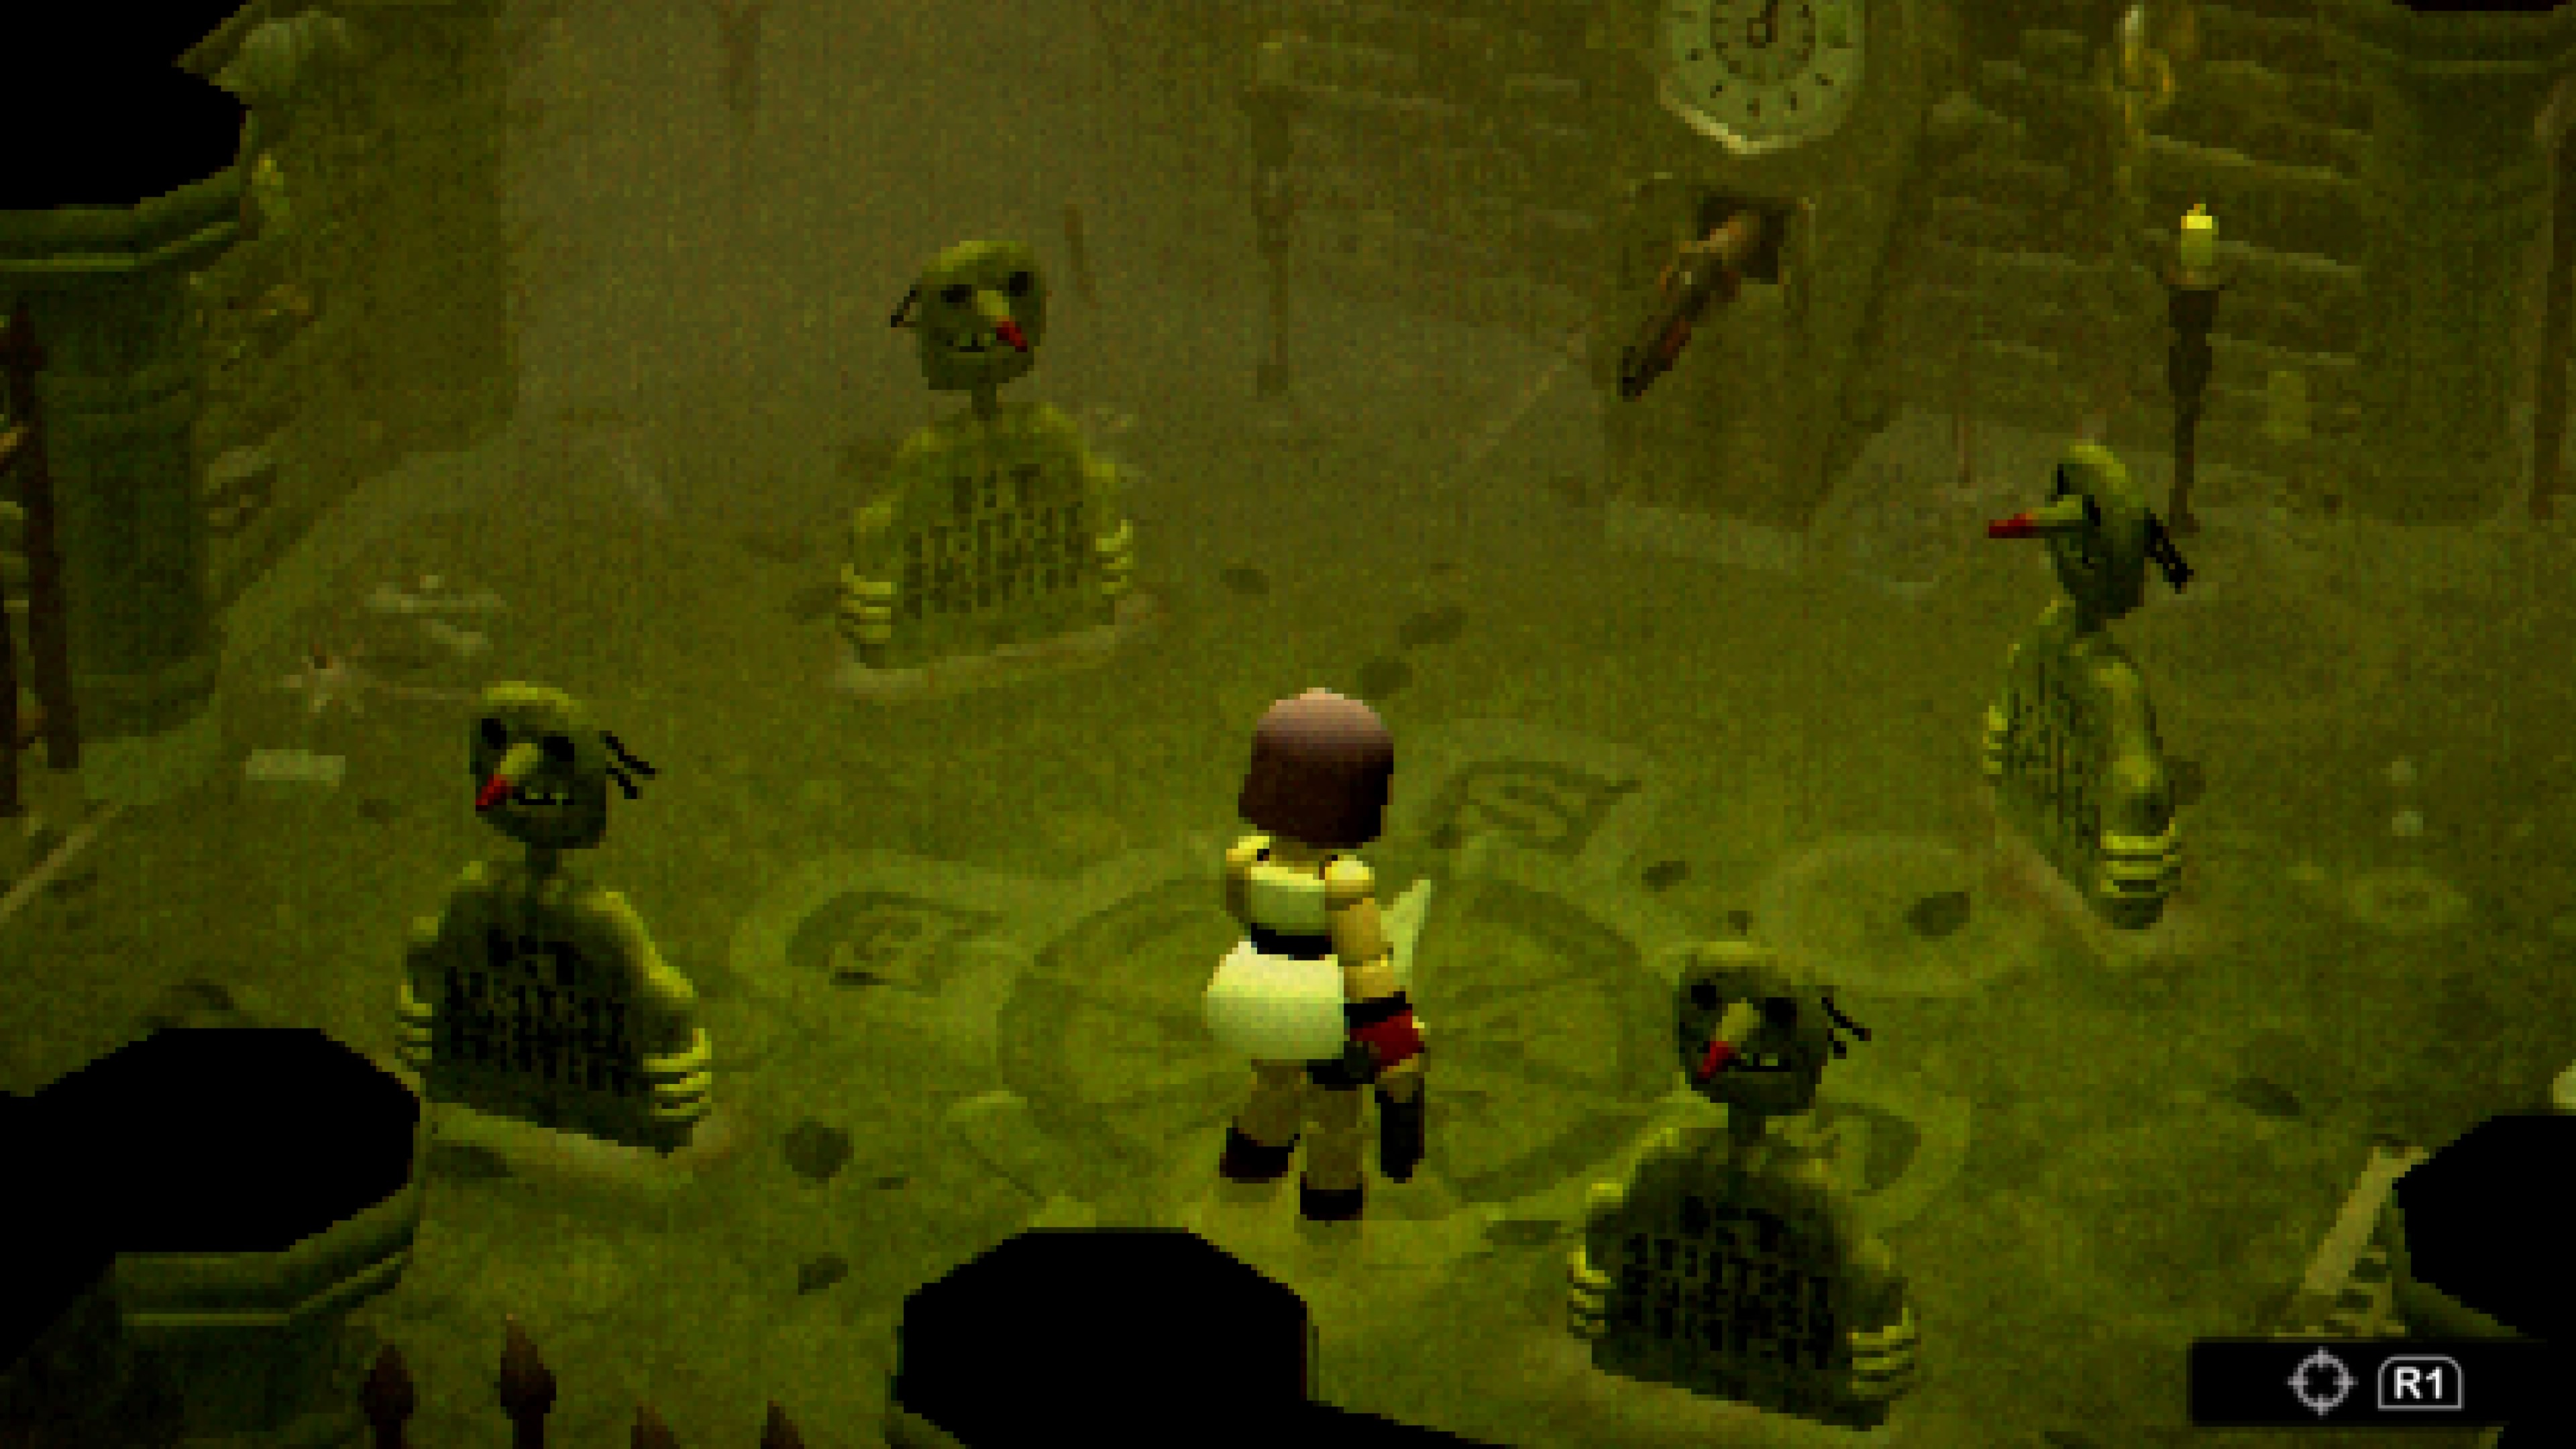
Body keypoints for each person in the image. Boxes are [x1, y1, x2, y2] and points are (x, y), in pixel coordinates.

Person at [1203, 688, 1426, 1222]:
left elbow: (1240, 913)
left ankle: (1253, 1160)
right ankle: (1331, 1196)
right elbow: (1367, 972)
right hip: (1321, 1009)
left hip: (1251, 991)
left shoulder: (1245, 858)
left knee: (1273, 1080)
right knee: (1336, 1106)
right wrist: (1397, 1045)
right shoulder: (1343, 879)